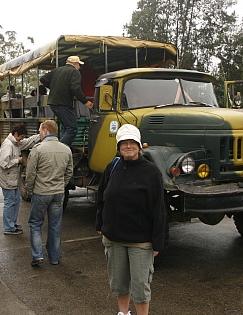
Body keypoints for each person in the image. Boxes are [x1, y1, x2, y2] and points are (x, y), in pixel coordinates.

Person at [95, 124, 166, 315]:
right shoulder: (113, 166)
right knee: (118, 283)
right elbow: (102, 196)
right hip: (114, 239)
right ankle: (123, 312)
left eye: (132, 143)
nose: (128, 146)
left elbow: (158, 209)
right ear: (118, 146)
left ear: (139, 146)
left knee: (140, 287)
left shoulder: (151, 172)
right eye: (123, 143)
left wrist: (158, 241)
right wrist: (100, 223)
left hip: (140, 242)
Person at [25, 120, 73, 266]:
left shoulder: (38, 149)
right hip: (58, 192)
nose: (39, 133)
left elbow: (31, 173)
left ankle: (37, 255)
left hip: (41, 192)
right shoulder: (66, 149)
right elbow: (69, 171)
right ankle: (54, 257)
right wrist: (61, 185)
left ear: (45, 130)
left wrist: (29, 189)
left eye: (40, 130)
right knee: (55, 224)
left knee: (35, 223)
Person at [0, 123, 40, 235]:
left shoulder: (16, 143)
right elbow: (3, 163)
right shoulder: (8, 145)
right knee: (10, 203)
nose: (22, 139)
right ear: (16, 134)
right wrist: (18, 161)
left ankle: (12, 224)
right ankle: (8, 227)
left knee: (16, 200)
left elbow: (28, 142)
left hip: (12, 179)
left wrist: (40, 135)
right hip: (7, 179)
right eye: (21, 137)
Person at [40, 55, 93, 146]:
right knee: (72, 128)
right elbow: (75, 88)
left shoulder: (56, 70)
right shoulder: (74, 72)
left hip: (53, 103)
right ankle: (59, 149)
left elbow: (43, 79)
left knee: (66, 127)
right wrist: (85, 102)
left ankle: (60, 146)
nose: (79, 68)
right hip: (64, 103)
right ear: (75, 64)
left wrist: (54, 86)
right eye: (79, 65)